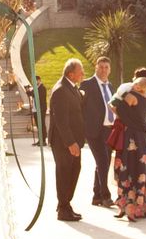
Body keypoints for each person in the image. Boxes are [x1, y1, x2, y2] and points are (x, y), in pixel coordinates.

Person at [111, 76, 146, 222]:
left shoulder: (132, 96)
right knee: (140, 171)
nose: (132, 85)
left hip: (132, 138)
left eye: (136, 84)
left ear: (140, 88)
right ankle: (139, 208)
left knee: (127, 169)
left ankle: (128, 209)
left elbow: (118, 110)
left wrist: (114, 103)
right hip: (144, 138)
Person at [48, 58, 85, 221]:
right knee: (64, 173)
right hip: (64, 142)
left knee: (73, 171)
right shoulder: (61, 90)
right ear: (71, 74)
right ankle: (63, 209)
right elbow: (61, 121)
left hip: (74, 140)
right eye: (81, 71)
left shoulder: (72, 88)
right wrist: (71, 143)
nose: (83, 74)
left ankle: (65, 204)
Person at [81, 57, 116, 208]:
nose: (103, 70)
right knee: (102, 161)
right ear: (96, 68)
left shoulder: (111, 87)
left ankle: (96, 196)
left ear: (110, 69)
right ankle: (106, 196)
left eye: (106, 67)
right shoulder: (87, 85)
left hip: (109, 130)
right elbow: (79, 107)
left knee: (104, 163)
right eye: (101, 67)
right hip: (94, 131)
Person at [26, 76, 47, 146]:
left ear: (39, 80)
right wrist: (27, 89)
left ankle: (43, 140)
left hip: (41, 109)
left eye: (35, 81)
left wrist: (31, 92)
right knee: (38, 125)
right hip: (35, 109)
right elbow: (30, 94)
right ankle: (40, 140)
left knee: (41, 125)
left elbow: (37, 96)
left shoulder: (42, 88)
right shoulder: (36, 88)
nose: (33, 82)